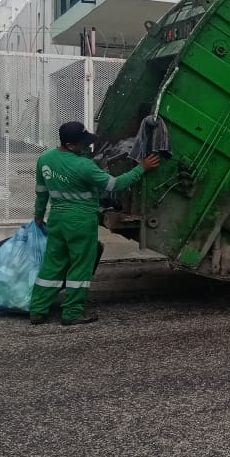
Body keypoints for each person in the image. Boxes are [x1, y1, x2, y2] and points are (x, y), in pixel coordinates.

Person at [28, 121, 160, 326]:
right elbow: (116, 184)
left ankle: (37, 309)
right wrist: (141, 169)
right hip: (80, 221)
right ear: (71, 145)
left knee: (52, 265)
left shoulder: (45, 159)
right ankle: (72, 313)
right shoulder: (84, 166)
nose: (86, 146)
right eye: (82, 143)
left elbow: (41, 191)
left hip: (57, 219)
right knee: (80, 266)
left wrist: (38, 215)